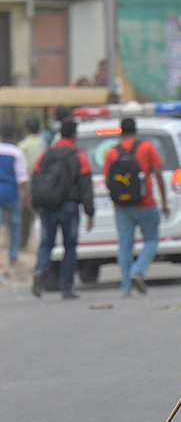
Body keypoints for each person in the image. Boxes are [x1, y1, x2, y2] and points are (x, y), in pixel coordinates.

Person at [103, 118, 169, 298]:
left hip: (121, 206)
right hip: (146, 202)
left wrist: (117, 196)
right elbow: (158, 173)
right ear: (135, 130)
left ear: (120, 131)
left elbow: (108, 180)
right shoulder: (147, 148)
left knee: (125, 244)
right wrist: (164, 202)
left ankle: (125, 286)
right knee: (151, 239)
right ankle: (138, 271)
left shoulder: (111, 152)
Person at [32, 119, 94, 298]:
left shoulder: (45, 155)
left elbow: (35, 178)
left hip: (47, 206)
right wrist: (90, 212)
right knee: (70, 246)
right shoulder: (79, 156)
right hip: (69, 206)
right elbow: (85, 186)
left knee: (46, 244)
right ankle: (66, 287)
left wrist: (37, 205)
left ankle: (40, 271)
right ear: (74, 134)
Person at [0, 124, 29, 273]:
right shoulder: (16, 153)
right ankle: (13, 258)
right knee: (14, 226)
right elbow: (22, 177)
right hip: (12, 193)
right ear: (13, 137)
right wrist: (25, 196)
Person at [18, 117, 44, 251]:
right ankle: (41, 241)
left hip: (28, 181)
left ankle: (23, 243)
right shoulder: (43, 142)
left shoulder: (23, 145)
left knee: (26, 214)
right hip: (44, 181)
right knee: (42, 213)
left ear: (26, 130)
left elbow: (22, 168)